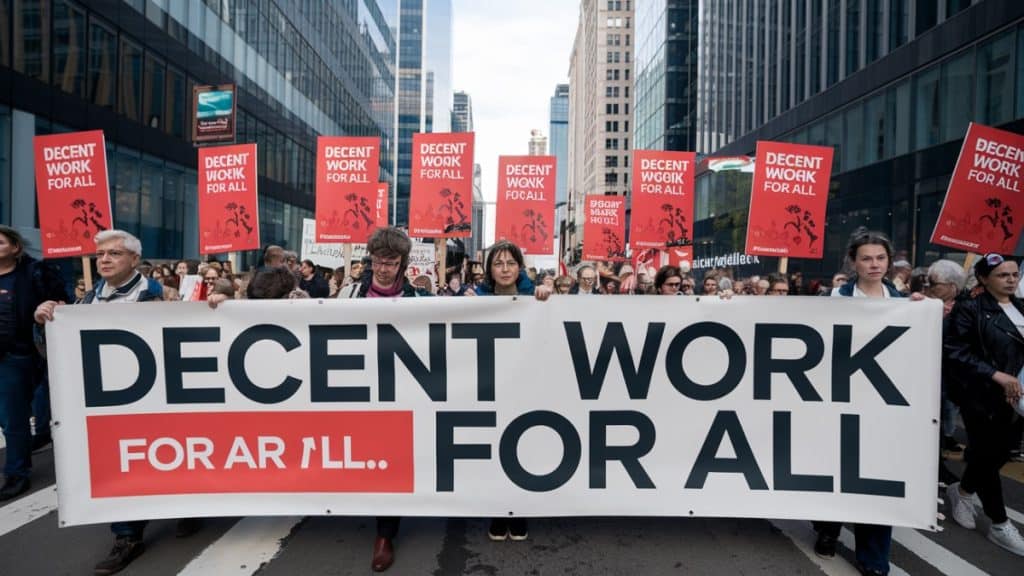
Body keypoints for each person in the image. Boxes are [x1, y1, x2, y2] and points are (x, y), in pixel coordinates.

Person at [34, 230, 200, 575]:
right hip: (109, 402)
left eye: (115, 253)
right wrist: (46, 321)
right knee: (125, 464)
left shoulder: (165, 295)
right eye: (101, 254)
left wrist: (214, 307)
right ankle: (127, 535)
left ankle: (188, 507)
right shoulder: (83, 304)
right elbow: (53, 350)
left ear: (135, 260)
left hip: (160, 397)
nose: (105, 260)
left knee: (171, 456)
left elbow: (198, 336)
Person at [816, 228, 916, 575]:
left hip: (883, 407)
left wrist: (925, 315)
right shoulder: (835, 300)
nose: (874, 265)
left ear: (888, 262)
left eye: (880, 258)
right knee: (833, 473)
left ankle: (874, 560)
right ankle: (828, 529)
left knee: (875, 479)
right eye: (866, 258)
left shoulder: (907, 306)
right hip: (839, 401)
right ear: (854, 262)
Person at [334, 227, 422, 571]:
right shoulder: (349, 294)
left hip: (400, 392)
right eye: (378, 260)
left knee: (393, 461)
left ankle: (385, 533)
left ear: (402, 264)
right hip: (356, 389)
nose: (384, 268)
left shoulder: (419, 300)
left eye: (391, 261)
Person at [944, 253, 1024, 556]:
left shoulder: (1020, 306)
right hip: (981, 396)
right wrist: (997, 375)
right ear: (984, 278)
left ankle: (962, 492)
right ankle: (1000, 524)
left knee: (997, 454)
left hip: (1015, 399)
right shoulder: (970, 309)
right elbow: (955, 351)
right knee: (989, 455)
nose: (1011, 280)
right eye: (1003, 275)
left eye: (1014, 274)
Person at [472, 241, 550, 542]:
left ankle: (519, 510)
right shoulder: (475, 298)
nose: (505, 269)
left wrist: (546, 297)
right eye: (498, 263)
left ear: (519, 267)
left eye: (510, 263)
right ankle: (498, 510)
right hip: (490, 387)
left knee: (523, 448)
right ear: (490, 269)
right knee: (494, 450)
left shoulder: (536, 296)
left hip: (526, 385)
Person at [0, 226, 68, 501]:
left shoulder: (34, 274)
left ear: (16, 247)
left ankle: (17, 473)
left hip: (16, 356)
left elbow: (62, 302)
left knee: (12, 419)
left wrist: (50, 306)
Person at [925, 259, 968, 484]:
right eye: (927, 281)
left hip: (952, 378)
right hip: (928, 379)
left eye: (934, 283)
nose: (929, 286)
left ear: (953, 286)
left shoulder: (967, 309)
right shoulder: (922, 304)